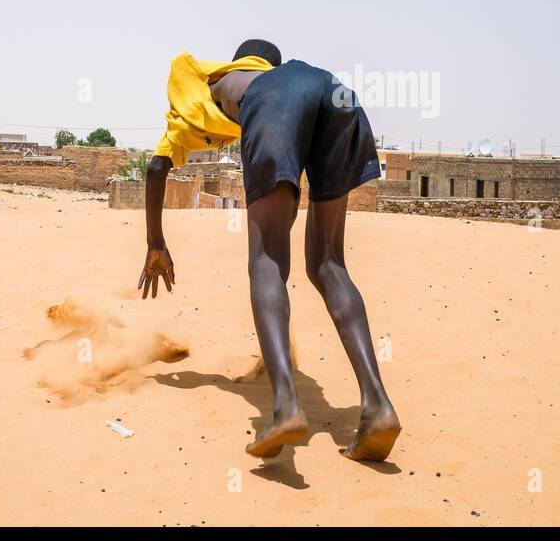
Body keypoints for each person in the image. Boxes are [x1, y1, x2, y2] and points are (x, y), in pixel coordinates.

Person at [139, 39, 400, 461]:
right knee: (329, 264)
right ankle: (378, 408)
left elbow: (155, 166)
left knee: (267, 261)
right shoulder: (266, 76)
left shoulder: (215, 85)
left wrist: (155, 242)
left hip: (281, 103)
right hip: (336, 94)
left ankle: (285, 408)